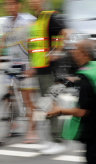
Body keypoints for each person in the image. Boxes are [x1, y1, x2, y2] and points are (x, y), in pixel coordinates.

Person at [47, 40, 96, 164]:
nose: (73, 52)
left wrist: (59, 111)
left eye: (77, 50)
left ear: (84, 54)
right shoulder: (92, 67)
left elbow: (82, 112)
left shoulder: (86, 79)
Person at [0, 0, 38, 143]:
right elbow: (2, 40)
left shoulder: (29, 20)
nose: (9, 7)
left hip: (27, 64)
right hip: (13, 64)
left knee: (28, 100)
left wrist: (34, 66)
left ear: (18, 5)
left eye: (12, 4)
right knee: (8, 95)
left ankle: (32, 130)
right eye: (7, 4)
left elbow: (37, 42)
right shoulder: (6, 22)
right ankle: (14, 122)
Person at [27, 0, 68, 154]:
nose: (33, 2)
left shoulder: (50, 17)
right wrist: (32, 66)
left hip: (49, 69)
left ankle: (57, 140)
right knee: (44, 104)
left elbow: (64, 32)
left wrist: (56, 51)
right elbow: (36, 45)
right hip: (39, 69)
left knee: (49, 103)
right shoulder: (36, 19)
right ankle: (50, 139)